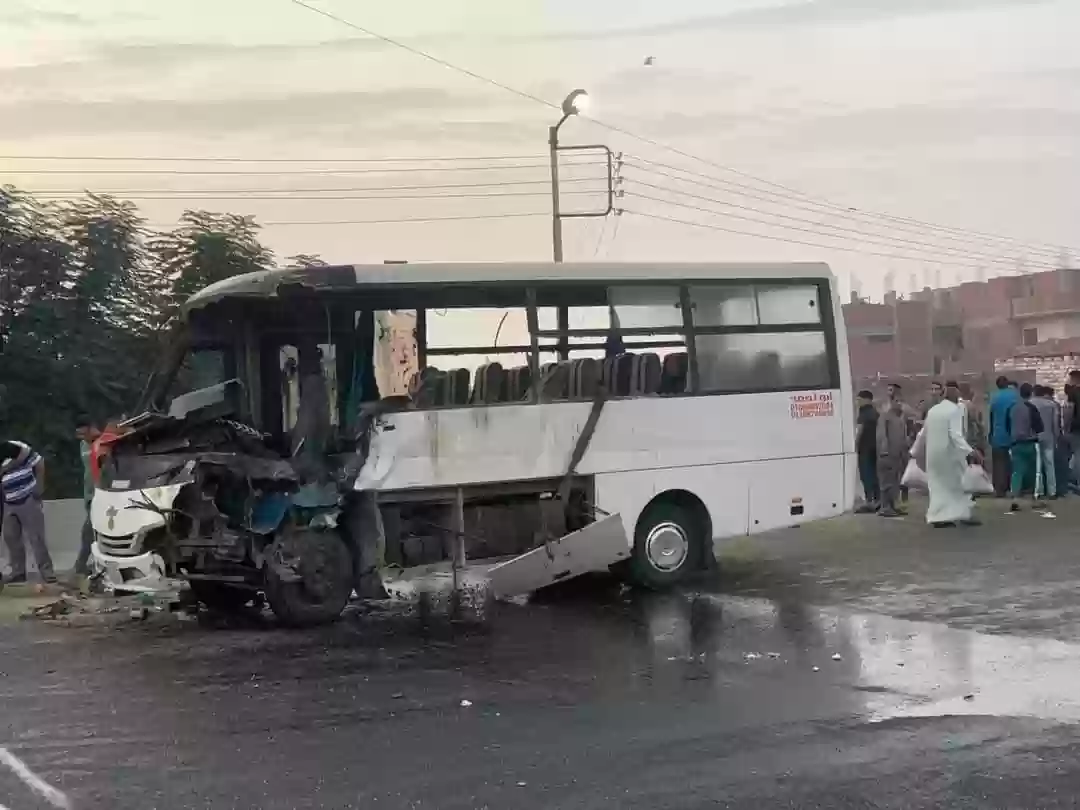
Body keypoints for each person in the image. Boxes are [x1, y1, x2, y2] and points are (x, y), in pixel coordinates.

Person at [924, 381, 982, 528]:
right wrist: (971, 451)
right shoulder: (955, 410)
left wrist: (914, 452)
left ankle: (939, 517)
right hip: (950, 455)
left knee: (938, 487)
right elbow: (956, 435)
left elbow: (923, 433)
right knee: (960, 485)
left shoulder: (933, 411)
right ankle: (960, 515)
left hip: (933, 455)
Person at [0, 440, 56, 584]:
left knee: (36, 537)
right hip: (8, 501)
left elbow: (39, 463)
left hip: (28, 498)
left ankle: (47, 572)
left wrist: (39, 486)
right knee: (11, 538)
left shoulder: (21, 449)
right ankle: (18, 572)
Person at [1007, 382, 1044, 512]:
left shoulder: (1012, 408)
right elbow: (1039, 427)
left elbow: (1008, 425)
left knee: (1017, 472)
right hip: (1030, 443)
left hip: (1015, 444)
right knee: (1034, 473)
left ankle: (1015, 499)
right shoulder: (1031, 408)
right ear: (1031, 393)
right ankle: (1034, 499)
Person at [73, 419, 101, 576]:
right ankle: (85, 566)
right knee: (91, 532)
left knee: (88, 532)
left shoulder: (103, 442)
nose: (82, 437)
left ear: (92, 428)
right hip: (89, 495)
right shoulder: (83, 445)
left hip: (102, 494)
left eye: (84, 433)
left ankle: (80, 566)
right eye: (79, 435)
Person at [876, 395, 910, 518]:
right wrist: (884, 450)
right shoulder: (885, 417)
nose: (900, 404)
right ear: (890, 403)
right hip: (887, 455)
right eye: (897, 401)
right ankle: (885, 507)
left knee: (895, 482)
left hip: (898, 456)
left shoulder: (900, 418)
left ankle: (892, 505)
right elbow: (881, 434)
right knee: (886, 482)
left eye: (901, 401)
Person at [988, 376, 1019, 497]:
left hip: (998, 434)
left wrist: (990, 433)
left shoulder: (994, 397)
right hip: (1014, 434)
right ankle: (1012, 487)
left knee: (999, 463)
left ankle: (999, 489)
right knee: (1013, 463)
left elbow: (991, 416)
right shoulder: (1015, 396)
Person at [1031, 385, 1060, 499]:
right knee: (1050, 464)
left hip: (1035, 437)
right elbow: (1055, 424)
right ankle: (1052, 491)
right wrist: (1056, 437)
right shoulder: (1051, 405)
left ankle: (1038, 491)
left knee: (1038, 466)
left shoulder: (1030, 404)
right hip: (1049, 437)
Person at [855, 390, 879, 512]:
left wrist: (854, 444)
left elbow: (860, 429)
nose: (857, 402)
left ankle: (869, 502)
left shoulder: (863, 412)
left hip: (864, 448)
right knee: (874, 474)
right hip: (875, 448)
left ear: (867, 399)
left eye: (859, 399)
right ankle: (877, 500)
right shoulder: (875, 413)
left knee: (866, 475)